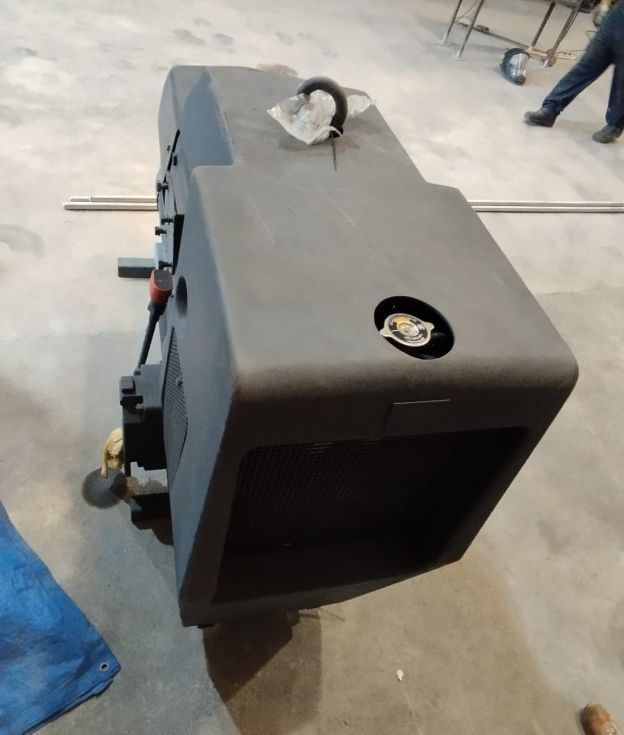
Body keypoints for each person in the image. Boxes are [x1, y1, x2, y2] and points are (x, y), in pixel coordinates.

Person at [524, 0, 624, 143]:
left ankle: (614, 126)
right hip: (617, 16)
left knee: (622, 81)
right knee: (586, 65)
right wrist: (605, 4)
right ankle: (550, 110)